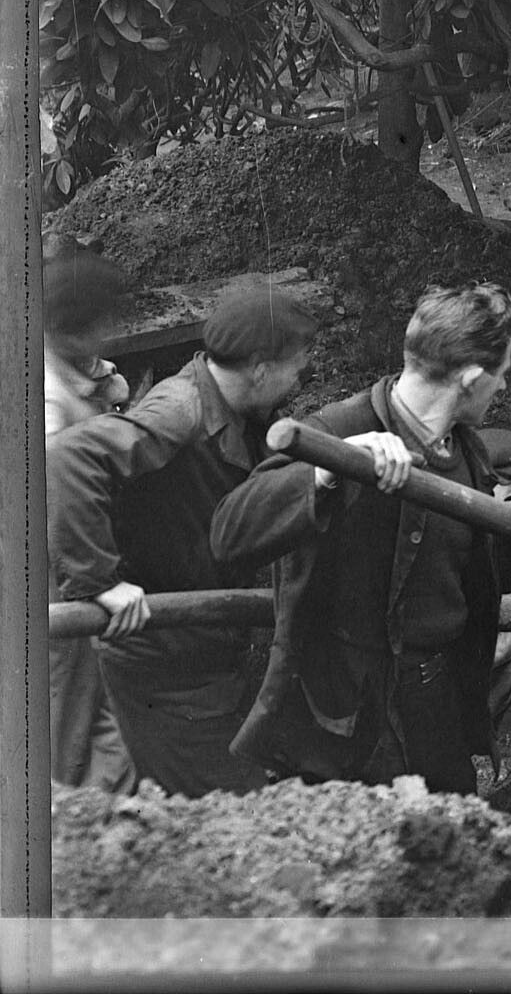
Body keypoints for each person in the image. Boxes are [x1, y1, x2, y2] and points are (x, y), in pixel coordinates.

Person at [210, 281, 511, 796]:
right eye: (502, 374)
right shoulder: (340, 430)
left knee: (449, 840)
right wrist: (330, 471)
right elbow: (229, 532)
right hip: (350, 720)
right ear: (470, 378)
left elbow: (480, 579)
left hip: (435, 703)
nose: (506, 387)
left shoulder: (468, 453)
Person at [46, 276, 318, 796]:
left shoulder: (242, 412)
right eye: (295, 370)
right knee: (231, 806)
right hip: (162, 665)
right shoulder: (181, 410)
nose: (300, 382)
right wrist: (96, 580)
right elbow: (67, 459)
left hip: (202, 654)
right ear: (260, 369)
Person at [42, 235, 136, 793]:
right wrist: (91, 583)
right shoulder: (49, 398)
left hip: (80, 565)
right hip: (56, 576)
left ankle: (111, 815)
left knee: (98, 699)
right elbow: (46, 500)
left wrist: (104, 387)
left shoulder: (73, 366)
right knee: (66, 708)